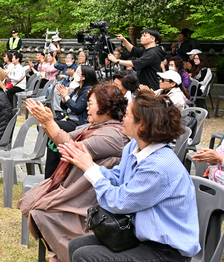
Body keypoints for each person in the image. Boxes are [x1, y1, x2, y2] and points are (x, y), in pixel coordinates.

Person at [64, 91, 200, 262]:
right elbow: (118, 177)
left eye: (127, 115)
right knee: (76, 246)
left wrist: (90, 169)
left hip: (166, 252)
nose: (122, 118)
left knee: (85, 256)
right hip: (139, 236)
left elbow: (119, 203)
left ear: (142, 125)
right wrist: (88, 163)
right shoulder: (134, 147)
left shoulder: (158, 167)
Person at [20, 83, 129, 262]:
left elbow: (73, 148)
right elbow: (65, 138)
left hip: (88, 197)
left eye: (91, 103)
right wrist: (44, 121)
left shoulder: (115, 135)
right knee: (34, 199)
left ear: (106, 106)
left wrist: (49, 122)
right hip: (78, 186)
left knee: (42, 209)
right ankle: (55, 254)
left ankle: (58, 256)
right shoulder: (94, 126)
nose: (86, 107)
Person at [45, 65, 98, 178]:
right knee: (46, 123)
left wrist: (66, 97)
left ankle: (56, 153)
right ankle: (54, 149)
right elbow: (64, 106)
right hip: (69, 118)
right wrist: (65, 97)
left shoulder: (88, 91)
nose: (75, 74)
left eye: (78, 72)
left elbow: (78, 109)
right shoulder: (78, 89)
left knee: (51, 125)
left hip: (77, 123)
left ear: (84, 77)